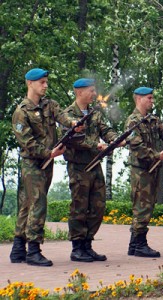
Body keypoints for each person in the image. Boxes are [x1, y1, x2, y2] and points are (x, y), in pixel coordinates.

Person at [10, 68, 76, 266]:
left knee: (28, 204)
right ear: (30, 83)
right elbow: (27, 143)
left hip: (48, 162)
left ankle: (17, 248)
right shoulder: (21, 112)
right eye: (42, 82)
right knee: (38, 203)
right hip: (33, 164)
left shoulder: (50, 105)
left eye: (46, 82)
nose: (46, 85)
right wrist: (49, 153)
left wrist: (74, 123)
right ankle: (33, 250)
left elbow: (63, 117)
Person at [63, 78, 124, 262]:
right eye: (91, 90)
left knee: (98, 205)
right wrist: (95, 145)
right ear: (79, 92)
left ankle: (88, 244)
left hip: (95, 165)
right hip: (79, 166)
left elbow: (105, 129)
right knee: (79, 206)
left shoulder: (94, 113)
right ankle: (77, 247)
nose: (93, 94)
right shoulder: (68, 114)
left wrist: (115, 139)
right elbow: (72, 139)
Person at [126, 87, 163, 257]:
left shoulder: (153, 119)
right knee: (141, 206)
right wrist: (158, 156)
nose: (152, 101)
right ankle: (139, 244)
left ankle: (135, 244)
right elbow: (138, 147)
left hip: (152, 168)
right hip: (141, 170)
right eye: (149, 98)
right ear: (139, 99)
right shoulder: (133, 121)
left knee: (148, 205)